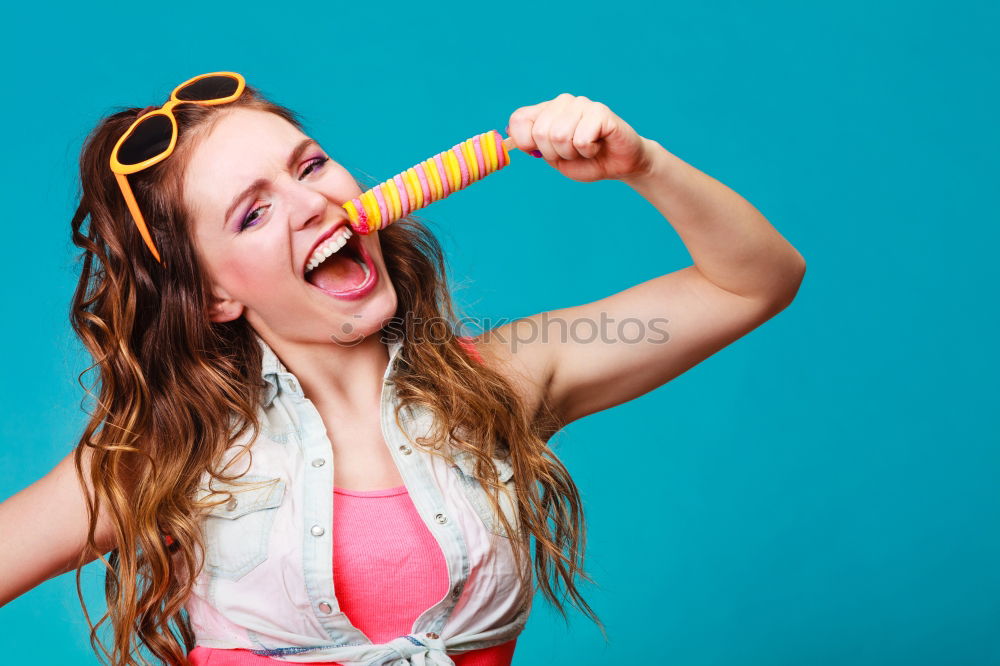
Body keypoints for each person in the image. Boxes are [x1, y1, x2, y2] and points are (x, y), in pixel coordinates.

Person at [0, 71, 806, 666]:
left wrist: (641, 164)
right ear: (213, 296)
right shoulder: (169, 453)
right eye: (254, 212)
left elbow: (754, 281)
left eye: (309, 166)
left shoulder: (505, 379)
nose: (313, 202)